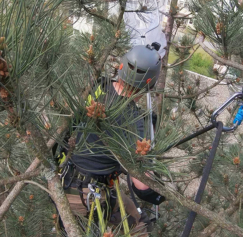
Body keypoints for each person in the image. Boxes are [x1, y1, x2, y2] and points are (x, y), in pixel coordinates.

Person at [60, 44, 165, 235]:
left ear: (121, 66)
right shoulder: (136, 123)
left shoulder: (96, 86)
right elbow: (142, 184)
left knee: (124, 202)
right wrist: (162, 191)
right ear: (150, 83)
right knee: (140, 226)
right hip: (89, 196)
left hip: (63, 180)